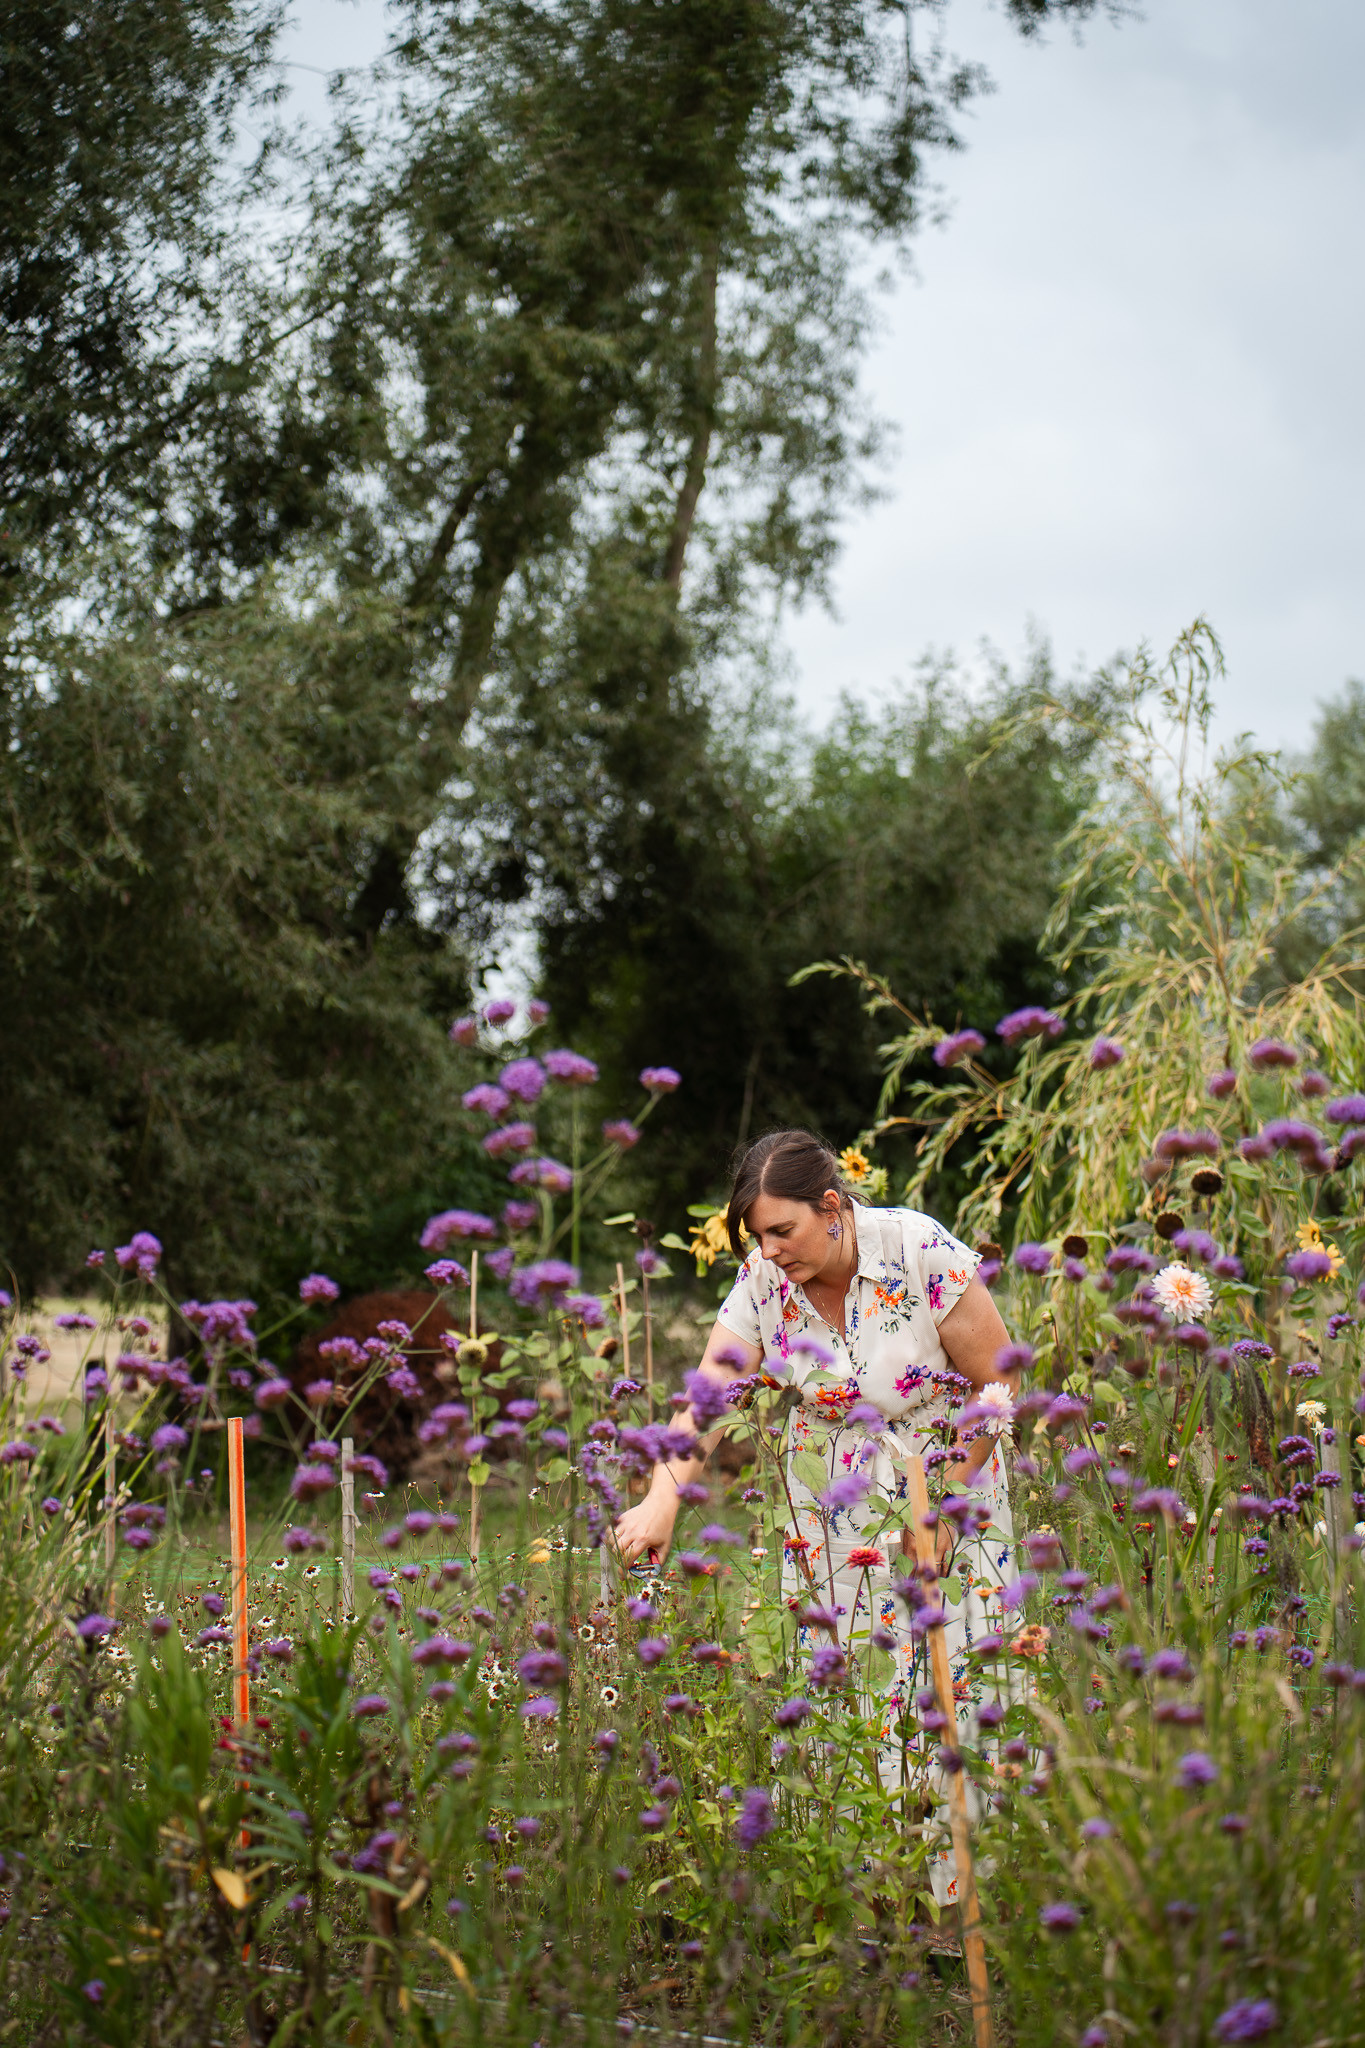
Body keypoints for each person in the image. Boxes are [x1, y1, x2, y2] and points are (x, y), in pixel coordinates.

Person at [612, 1127, 1022, 1904]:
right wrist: (661, 1498)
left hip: (947, 1479)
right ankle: (870, 1892)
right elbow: (706, 1397)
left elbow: (1000, 1386)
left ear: (831, 1207)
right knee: (849, 1681)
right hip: (830, 1498)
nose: (767, 1251)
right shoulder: (765, 1283)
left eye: (780, 1231)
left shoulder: (917, 1249)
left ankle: (966, 1897)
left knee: (950, 1681)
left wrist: (947, 1503)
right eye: (756, 1236)